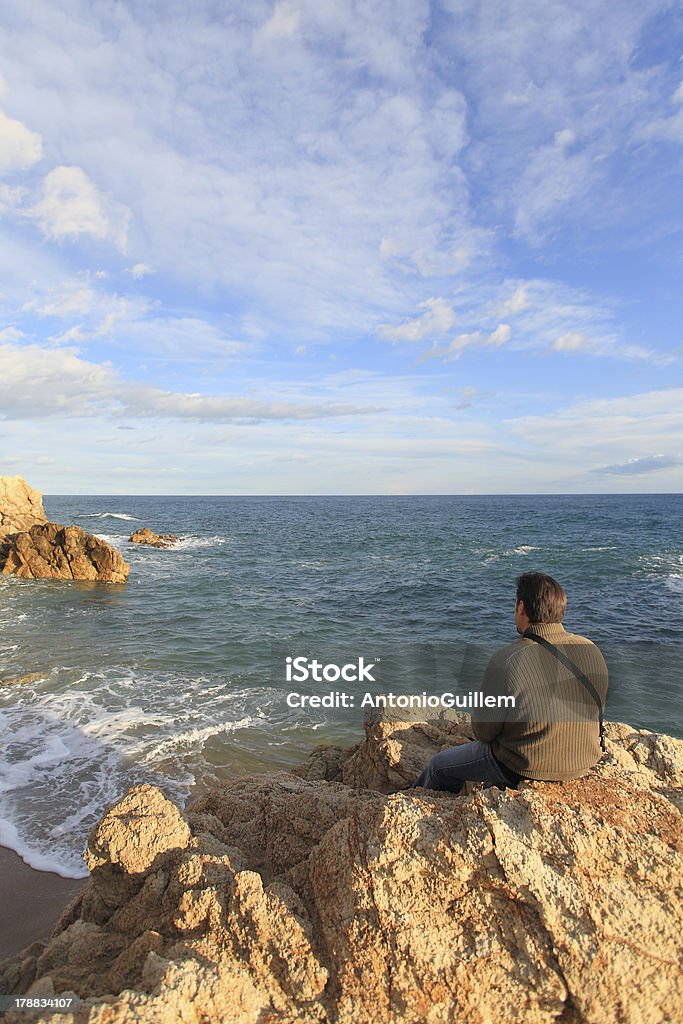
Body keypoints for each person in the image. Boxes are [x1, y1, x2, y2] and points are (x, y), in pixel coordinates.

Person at [413, 572, 609, 793]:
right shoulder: (591, 649)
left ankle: (421, 803)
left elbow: (484, 733)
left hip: (525, 766)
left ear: (522, 607)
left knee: (439, 767)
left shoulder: (507, 658)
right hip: (584, 760)